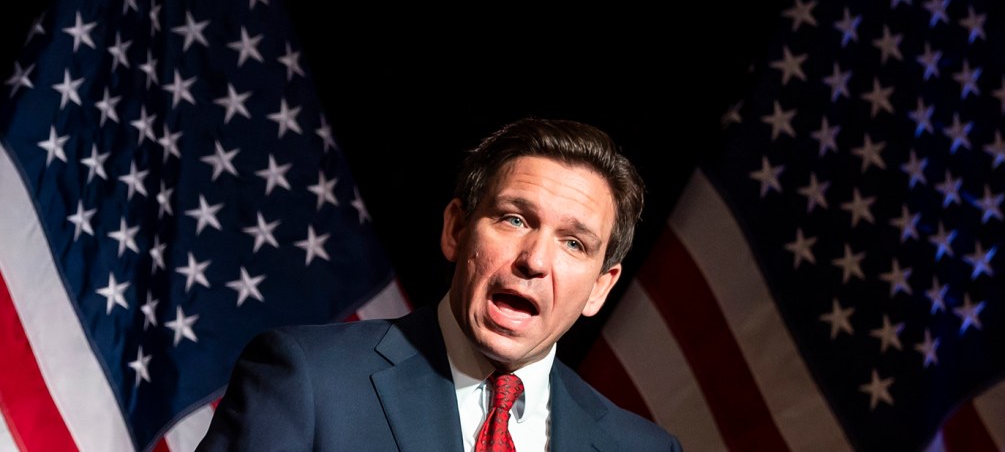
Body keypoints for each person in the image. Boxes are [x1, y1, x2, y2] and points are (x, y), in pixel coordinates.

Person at [197, 117, 682, 451]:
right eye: (514, 219)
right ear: (455, 229)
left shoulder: (645, 446)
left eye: (574, 244)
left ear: (601, 286)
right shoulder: (308, 381)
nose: (534, 260)